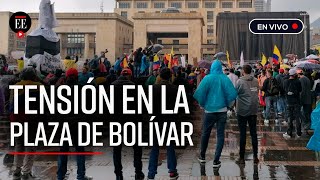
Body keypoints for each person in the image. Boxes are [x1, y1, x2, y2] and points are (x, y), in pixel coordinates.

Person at [194, 60, 237, 168]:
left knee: (205, 133)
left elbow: (199, 93)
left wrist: (203, 104)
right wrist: (227, 105)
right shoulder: (224, 78)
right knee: (220, 134)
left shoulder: (207, 78)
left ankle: (202, 156)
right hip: (222, 110)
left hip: (209, 110)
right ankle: (216, 160)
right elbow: (232, 93)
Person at [57, 68, 91, 180]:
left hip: (64, 124)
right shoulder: (82, 89)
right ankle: (81, 175)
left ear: (66, 77)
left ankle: (60, 175)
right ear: (77, 77)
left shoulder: (60, 90)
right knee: (80, 149)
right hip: (78, 123)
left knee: (63, 150)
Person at [112, 68, 144, 180]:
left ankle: (118, 174)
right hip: (132, 120)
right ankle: (138, 171)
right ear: (130, 76)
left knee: (117, 149)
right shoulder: (134, 87)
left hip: (116, 121)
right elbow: (140, 105)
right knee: (137, 148)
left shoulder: (112, 86)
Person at [10, 67, 42, 180]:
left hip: (17, 119)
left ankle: (17, 169)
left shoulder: (16, 87)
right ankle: (26, 171)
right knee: (31, 146)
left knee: (19, 145)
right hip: (31, 120)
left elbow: (11, 105)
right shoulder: (39, 87)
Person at [148, 68, 179, 180]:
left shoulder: (153, 88)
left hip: (156, 120)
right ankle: (172, 171)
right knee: (170, 146)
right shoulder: (175, 89)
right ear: (170, 76)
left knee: (155, 147)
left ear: (160, 76)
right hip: (169, 119)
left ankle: (151, 173)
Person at [235, 65, 259, 164]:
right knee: (254, 133)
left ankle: (241, 157)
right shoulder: (256, 81)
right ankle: (255, 157)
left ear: (243, 71)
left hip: (242, 110)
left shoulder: (240, 81)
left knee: (243, 134)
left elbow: (235, 93)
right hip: (253, 109)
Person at [283, 69, 302, 139]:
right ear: (295, 75)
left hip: (289, 102)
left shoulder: (285, 82)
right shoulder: (298, 81)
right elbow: (300, 90)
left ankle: (289, 133)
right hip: (296, 102)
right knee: (297, 118)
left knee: (290, 118)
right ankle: (299, 133)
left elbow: (284, 89)